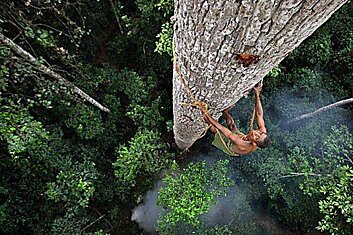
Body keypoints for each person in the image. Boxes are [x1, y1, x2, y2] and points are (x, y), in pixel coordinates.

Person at [201, 83, 270, 156]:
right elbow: (259, 114)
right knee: (232, 126)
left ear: (254, 143)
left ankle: (205, 118)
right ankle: (224, 112)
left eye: (256, 137)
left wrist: (205, 112)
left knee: (215, 129)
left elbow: (220, 127)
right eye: (260, 133)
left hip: (231, 147)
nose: (256, 133)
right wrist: (257, 93)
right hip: (245, 138)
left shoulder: (240, 142)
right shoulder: (262, 132)